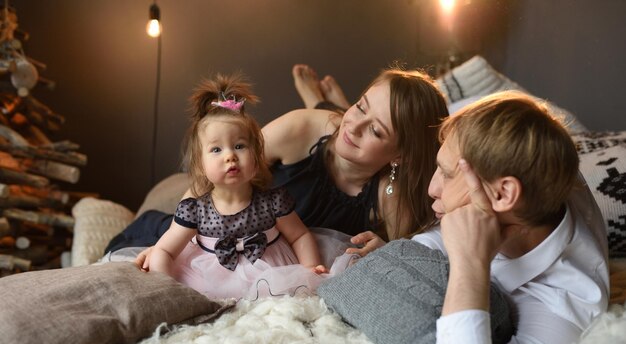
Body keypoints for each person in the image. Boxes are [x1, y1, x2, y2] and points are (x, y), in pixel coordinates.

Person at [120, 65, 449, 265]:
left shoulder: (391, 194)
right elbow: (202, 189)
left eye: (376, 130)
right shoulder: (299, 129)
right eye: (359, 107)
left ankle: (327, 98)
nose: (354, 127)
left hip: (276, 262)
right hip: (217, 228)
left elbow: (407, 254)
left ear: (400, 156)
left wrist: (385, 249)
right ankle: (322, 101)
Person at [409, 91, 609, 344]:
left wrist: (469, 265)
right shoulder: (520, 165)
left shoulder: (570, 300)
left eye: (445, 174)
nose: (432, 188)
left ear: (503, 194)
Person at [145, 73, 328, 300]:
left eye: (240, 146)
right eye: (216, 150)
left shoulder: (273, 202)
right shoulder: (194, 211)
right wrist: (165, 286)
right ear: (200, 166)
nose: (230, 156)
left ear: (257, 157)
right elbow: (164, 250)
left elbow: (299, 236)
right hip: (209, 279)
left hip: (270, 275)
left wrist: (310, 269)